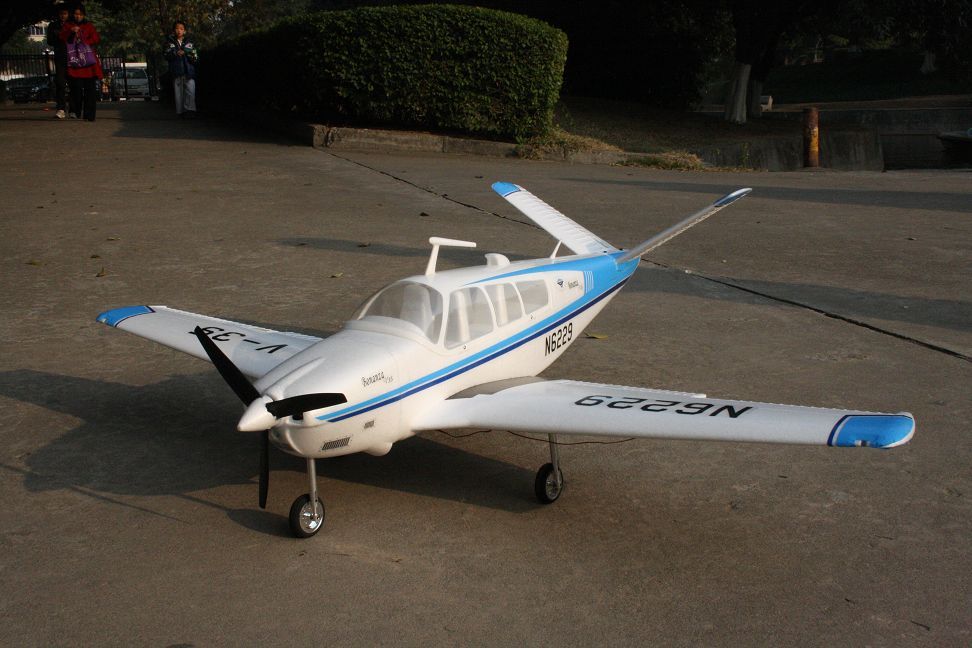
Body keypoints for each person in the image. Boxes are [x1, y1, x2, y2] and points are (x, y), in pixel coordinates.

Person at [60, 3, 103, 122]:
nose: (78, 16)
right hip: (75, 63)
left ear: (83, 15)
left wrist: (83, 40)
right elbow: (63, 37)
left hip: (88, 63)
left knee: (90, 90)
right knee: (76, 89)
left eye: (80, 14)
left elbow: (95, 38)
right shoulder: (68, 26)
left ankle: (89, 114)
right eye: (76, 14)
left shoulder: (88, 26)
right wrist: (71, 31)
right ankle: (76, 110)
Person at [164, 21, 197, 117]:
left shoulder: (189, 42)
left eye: (181, 29)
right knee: (178, 94)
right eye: (177, 28)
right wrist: (175, 53)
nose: (179, 30)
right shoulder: (169, 42)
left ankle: (190, 111)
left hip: (189, 71)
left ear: (185, 31)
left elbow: (195, 57)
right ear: (174, 30)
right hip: (176, 71)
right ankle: (181, 112)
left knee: (190, 91)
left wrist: (187, 53)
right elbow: (166, 55)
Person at [46, 2, 70, 119]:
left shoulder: (72, 24)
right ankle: (61, 108)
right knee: (60, 83)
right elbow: (49, 41)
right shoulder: (53, 25)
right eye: (61, 14)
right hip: (60, 56)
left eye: (65, 13)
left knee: (74, 83)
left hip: (72, 57)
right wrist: (59, 35)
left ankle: (74, 108)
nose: (63, 16)